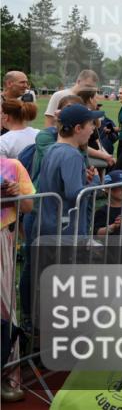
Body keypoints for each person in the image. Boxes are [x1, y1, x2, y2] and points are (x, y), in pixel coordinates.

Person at [32, 104, 103, 237]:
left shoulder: (53, 149)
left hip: (47, 223)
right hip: (66, 229)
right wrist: (95, 182)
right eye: (90, 124)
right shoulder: (72, 155)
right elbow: (75, 194)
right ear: (78, 128)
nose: (93, 129)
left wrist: (82, 178)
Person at [1, 157, 34, 402]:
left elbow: (28, 207)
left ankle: (8, 375)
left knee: (5, 308)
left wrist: (15, 194)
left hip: (3, 240)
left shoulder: (12, 166)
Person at [93, 171, 122, 237]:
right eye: (120, 186)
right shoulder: (102, 211)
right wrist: (113, 227)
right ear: (107, 189)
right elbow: (97, 233)